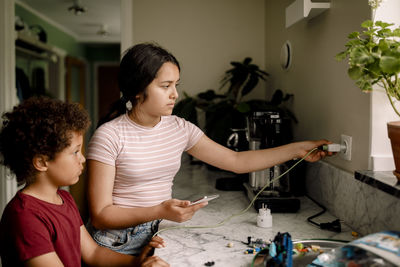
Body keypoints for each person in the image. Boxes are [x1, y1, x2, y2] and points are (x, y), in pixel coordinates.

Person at [86, 42, 333, 255]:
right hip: (116, 241)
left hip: (159, 231)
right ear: (138, 90)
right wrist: (159, 210)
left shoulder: (180, 129)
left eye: (176, 85)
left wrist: (298, 149)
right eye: (165, 86)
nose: (175, 94)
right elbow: (101, 214)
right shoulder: (109, 135)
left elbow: (236, 161)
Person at [0, 97, 169, 267]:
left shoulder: (64, 198)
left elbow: (93, 253)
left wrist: (139, 262)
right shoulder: (24, 217)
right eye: (74, 152)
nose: (82, 159)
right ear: (42, 162)